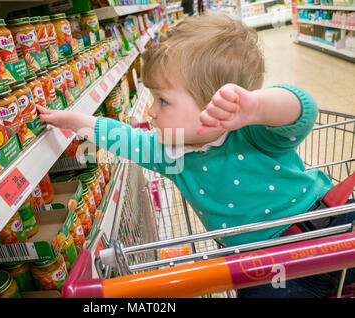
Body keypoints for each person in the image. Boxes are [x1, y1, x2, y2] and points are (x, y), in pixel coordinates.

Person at [37, 13, 354, 297]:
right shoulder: (169, 151)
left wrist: (256, 107)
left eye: (162, 100)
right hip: (264, 270)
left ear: (211, 102)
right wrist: (77, 121)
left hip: (328, 224)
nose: (151, 111)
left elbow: (303, 111)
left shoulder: (251, 132)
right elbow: (124, 137)